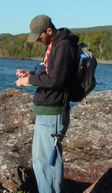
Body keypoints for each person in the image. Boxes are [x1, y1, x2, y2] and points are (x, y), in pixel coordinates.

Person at [15, 15, 80, 193]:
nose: (37, 40)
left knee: (47, 162)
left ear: (49, 31)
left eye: (39, 36)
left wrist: (29, 79)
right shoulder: (54, 44)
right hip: (47, 110)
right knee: (40, 160)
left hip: (54, 111)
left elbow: (56, 79)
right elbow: (50, 72)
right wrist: (30, 73)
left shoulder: (64, 46)